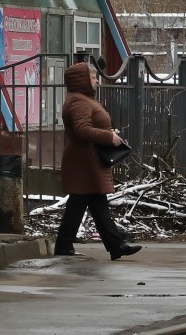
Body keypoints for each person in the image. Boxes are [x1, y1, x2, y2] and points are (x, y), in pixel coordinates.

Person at [54, 61, 141, 260]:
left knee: (94, 203)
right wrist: (108, 137)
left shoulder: (82, 99)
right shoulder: (79, 101)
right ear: (82, 80)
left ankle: (114, 246)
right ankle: (67, 245)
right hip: (83, 161)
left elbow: (88, 127)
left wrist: (107, 132)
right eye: (93, 78)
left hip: (88, 160)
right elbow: (81, 130)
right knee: (81, 202)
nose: (96, 82)